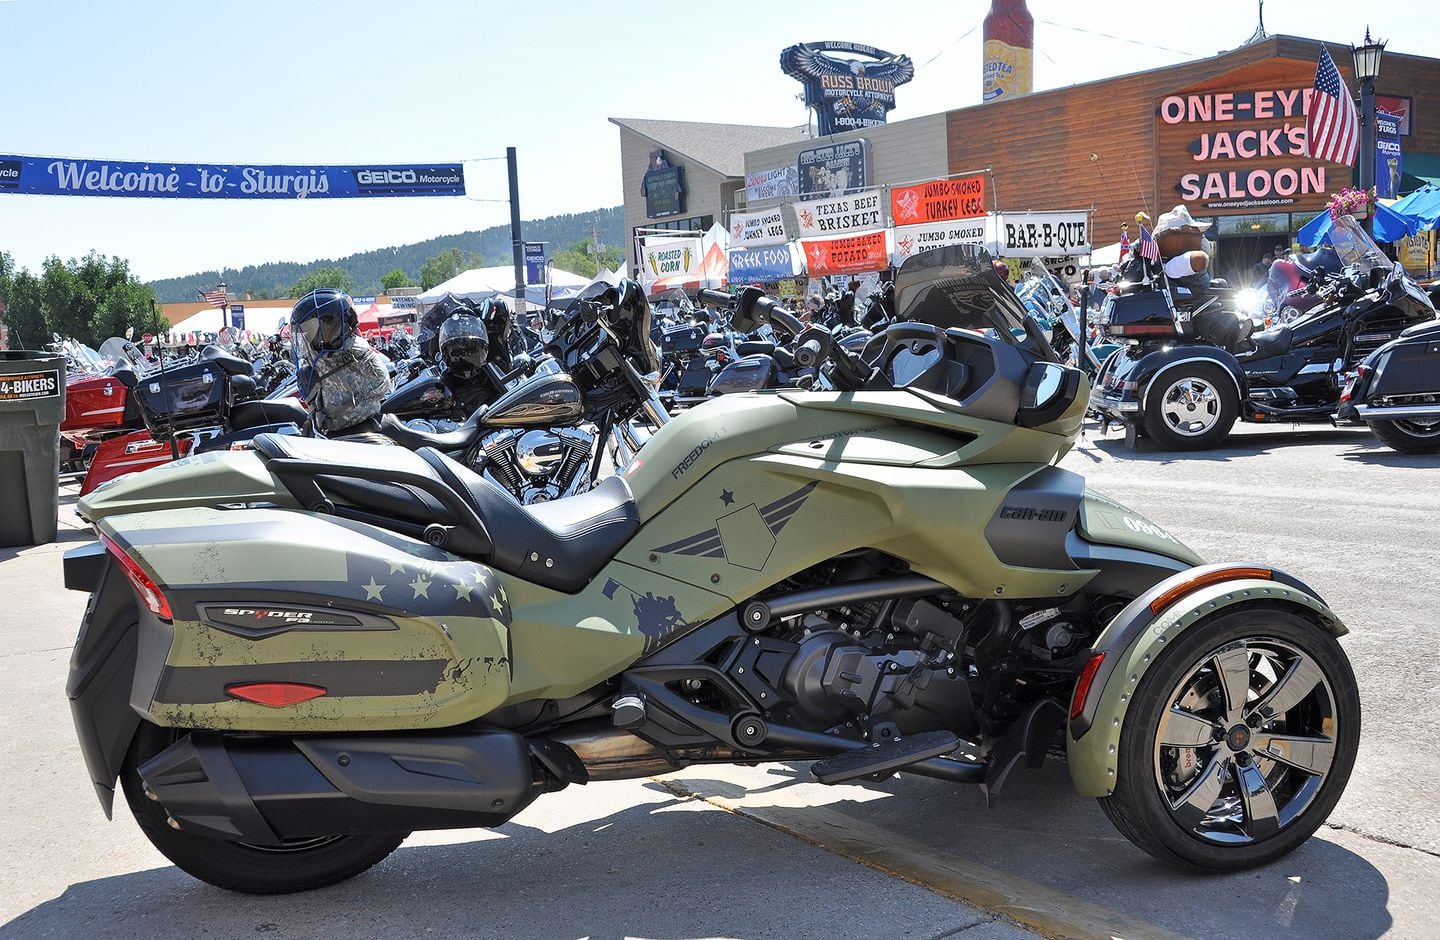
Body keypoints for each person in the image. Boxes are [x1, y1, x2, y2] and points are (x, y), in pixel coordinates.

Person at [290, 288, 393, 440]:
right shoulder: (321, 352)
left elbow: (382, 384)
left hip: (356, 428)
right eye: (306, 331)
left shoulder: (352, 349)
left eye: (313, 328)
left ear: (336, 324)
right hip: (332, 429)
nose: (309, 336)